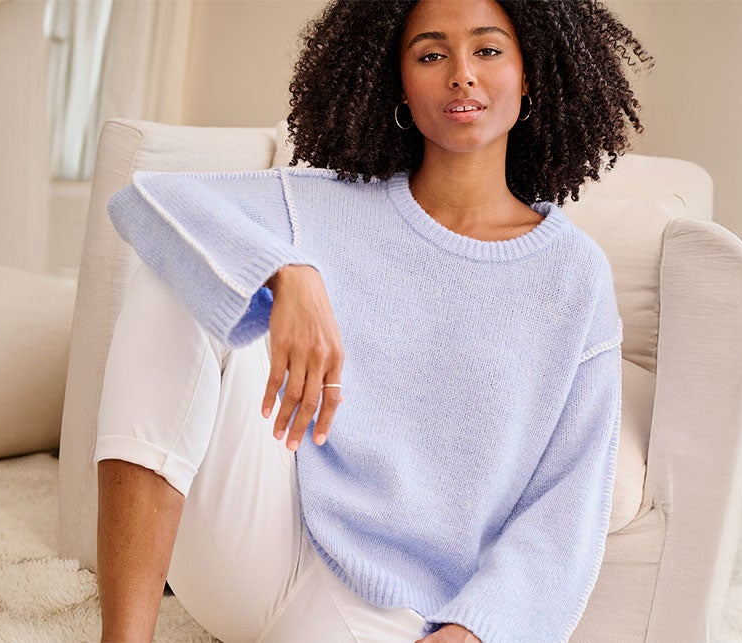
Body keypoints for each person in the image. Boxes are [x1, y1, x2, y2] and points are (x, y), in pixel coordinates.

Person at [90, 0, 652, 641]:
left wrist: (475, 631)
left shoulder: (574, 278)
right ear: (400, 87)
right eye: (431, 54)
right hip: (258, 539)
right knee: (177, 276)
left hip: (389, 613)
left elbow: (568, 499)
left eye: (488, 51)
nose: (461, 74)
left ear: (531, 76)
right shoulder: (325, 204)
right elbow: (148, 203)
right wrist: (285, 271)